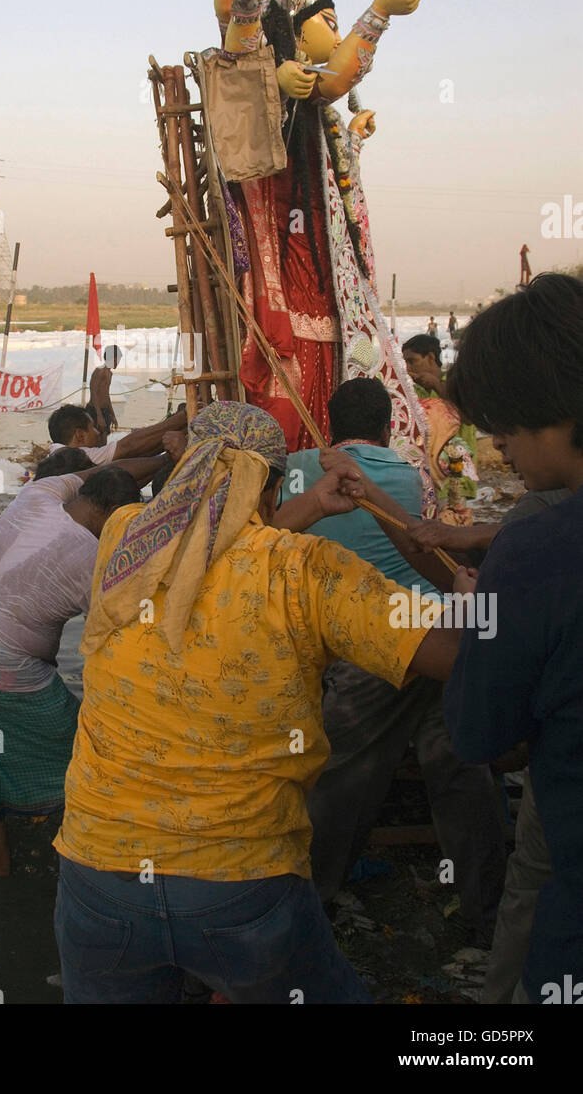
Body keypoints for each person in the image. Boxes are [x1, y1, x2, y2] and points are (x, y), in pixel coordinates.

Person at [53, 400, 466, 1004]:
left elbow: (210, 540)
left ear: (188, 468)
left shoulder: (125, 538)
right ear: (271, 491)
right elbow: (456, 656)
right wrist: (463, 587)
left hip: (96, 871)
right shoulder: (308, 572)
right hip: (241, 882)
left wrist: (313, 505)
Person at [209, 0, 425, 456]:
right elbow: (236, 29)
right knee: (284, 330)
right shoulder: (260, 38)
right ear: (293, 19)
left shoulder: (315, 69)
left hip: (315, 218)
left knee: (326, 326)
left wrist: (379, 15)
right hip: (270, 196)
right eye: (321, 21)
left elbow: (334, 80)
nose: (330, 36)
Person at [283, 378, 506, 940]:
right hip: (435, 628)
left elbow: (268, 535)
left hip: (371, 637)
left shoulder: (298, 464)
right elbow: (419, 545)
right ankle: (486, 911)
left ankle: (312, 902)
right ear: (387, 427)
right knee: (458, 762)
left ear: (329, 423)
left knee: (343, 775)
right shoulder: (408, 474)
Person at [443, 272, 583, 1004]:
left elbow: (479, 736)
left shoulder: (538, 550)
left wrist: (485, 615)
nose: (496, 442)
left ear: (550, 406)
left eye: (502, 422)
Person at [0, 465, 141, 876]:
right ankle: (103, 862)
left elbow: (114, 458)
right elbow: (114, 640)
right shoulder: (96, 560)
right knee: (91, 749)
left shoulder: (36, 496)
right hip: (7, 675)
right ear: (116, 512)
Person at [402, 332, 477, 501]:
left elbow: (468, 417)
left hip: (457, 476)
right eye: (404, 362)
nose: (407, 368)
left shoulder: (456, 382)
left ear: (430, 357)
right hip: (425, 478)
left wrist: (437, 385)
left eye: (412, 361)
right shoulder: (413, 392)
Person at [47, 402, 186, 467]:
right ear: (80, 435)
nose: (98, 433)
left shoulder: (55, 455)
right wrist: (184, 416)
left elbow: (134, 454)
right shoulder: (78, 456)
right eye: (93, 428)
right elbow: (129, 446)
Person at [86, 345, 122, 439]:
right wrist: (99, 416)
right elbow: (93, 393)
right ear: (113, 359)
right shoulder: (99, 371)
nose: (118, 363)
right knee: (94, 439)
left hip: (104, 411)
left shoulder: (109, 374)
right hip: (94, 410)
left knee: (104, 438)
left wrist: (112, 415)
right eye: (117, 360)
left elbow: (106, 396)